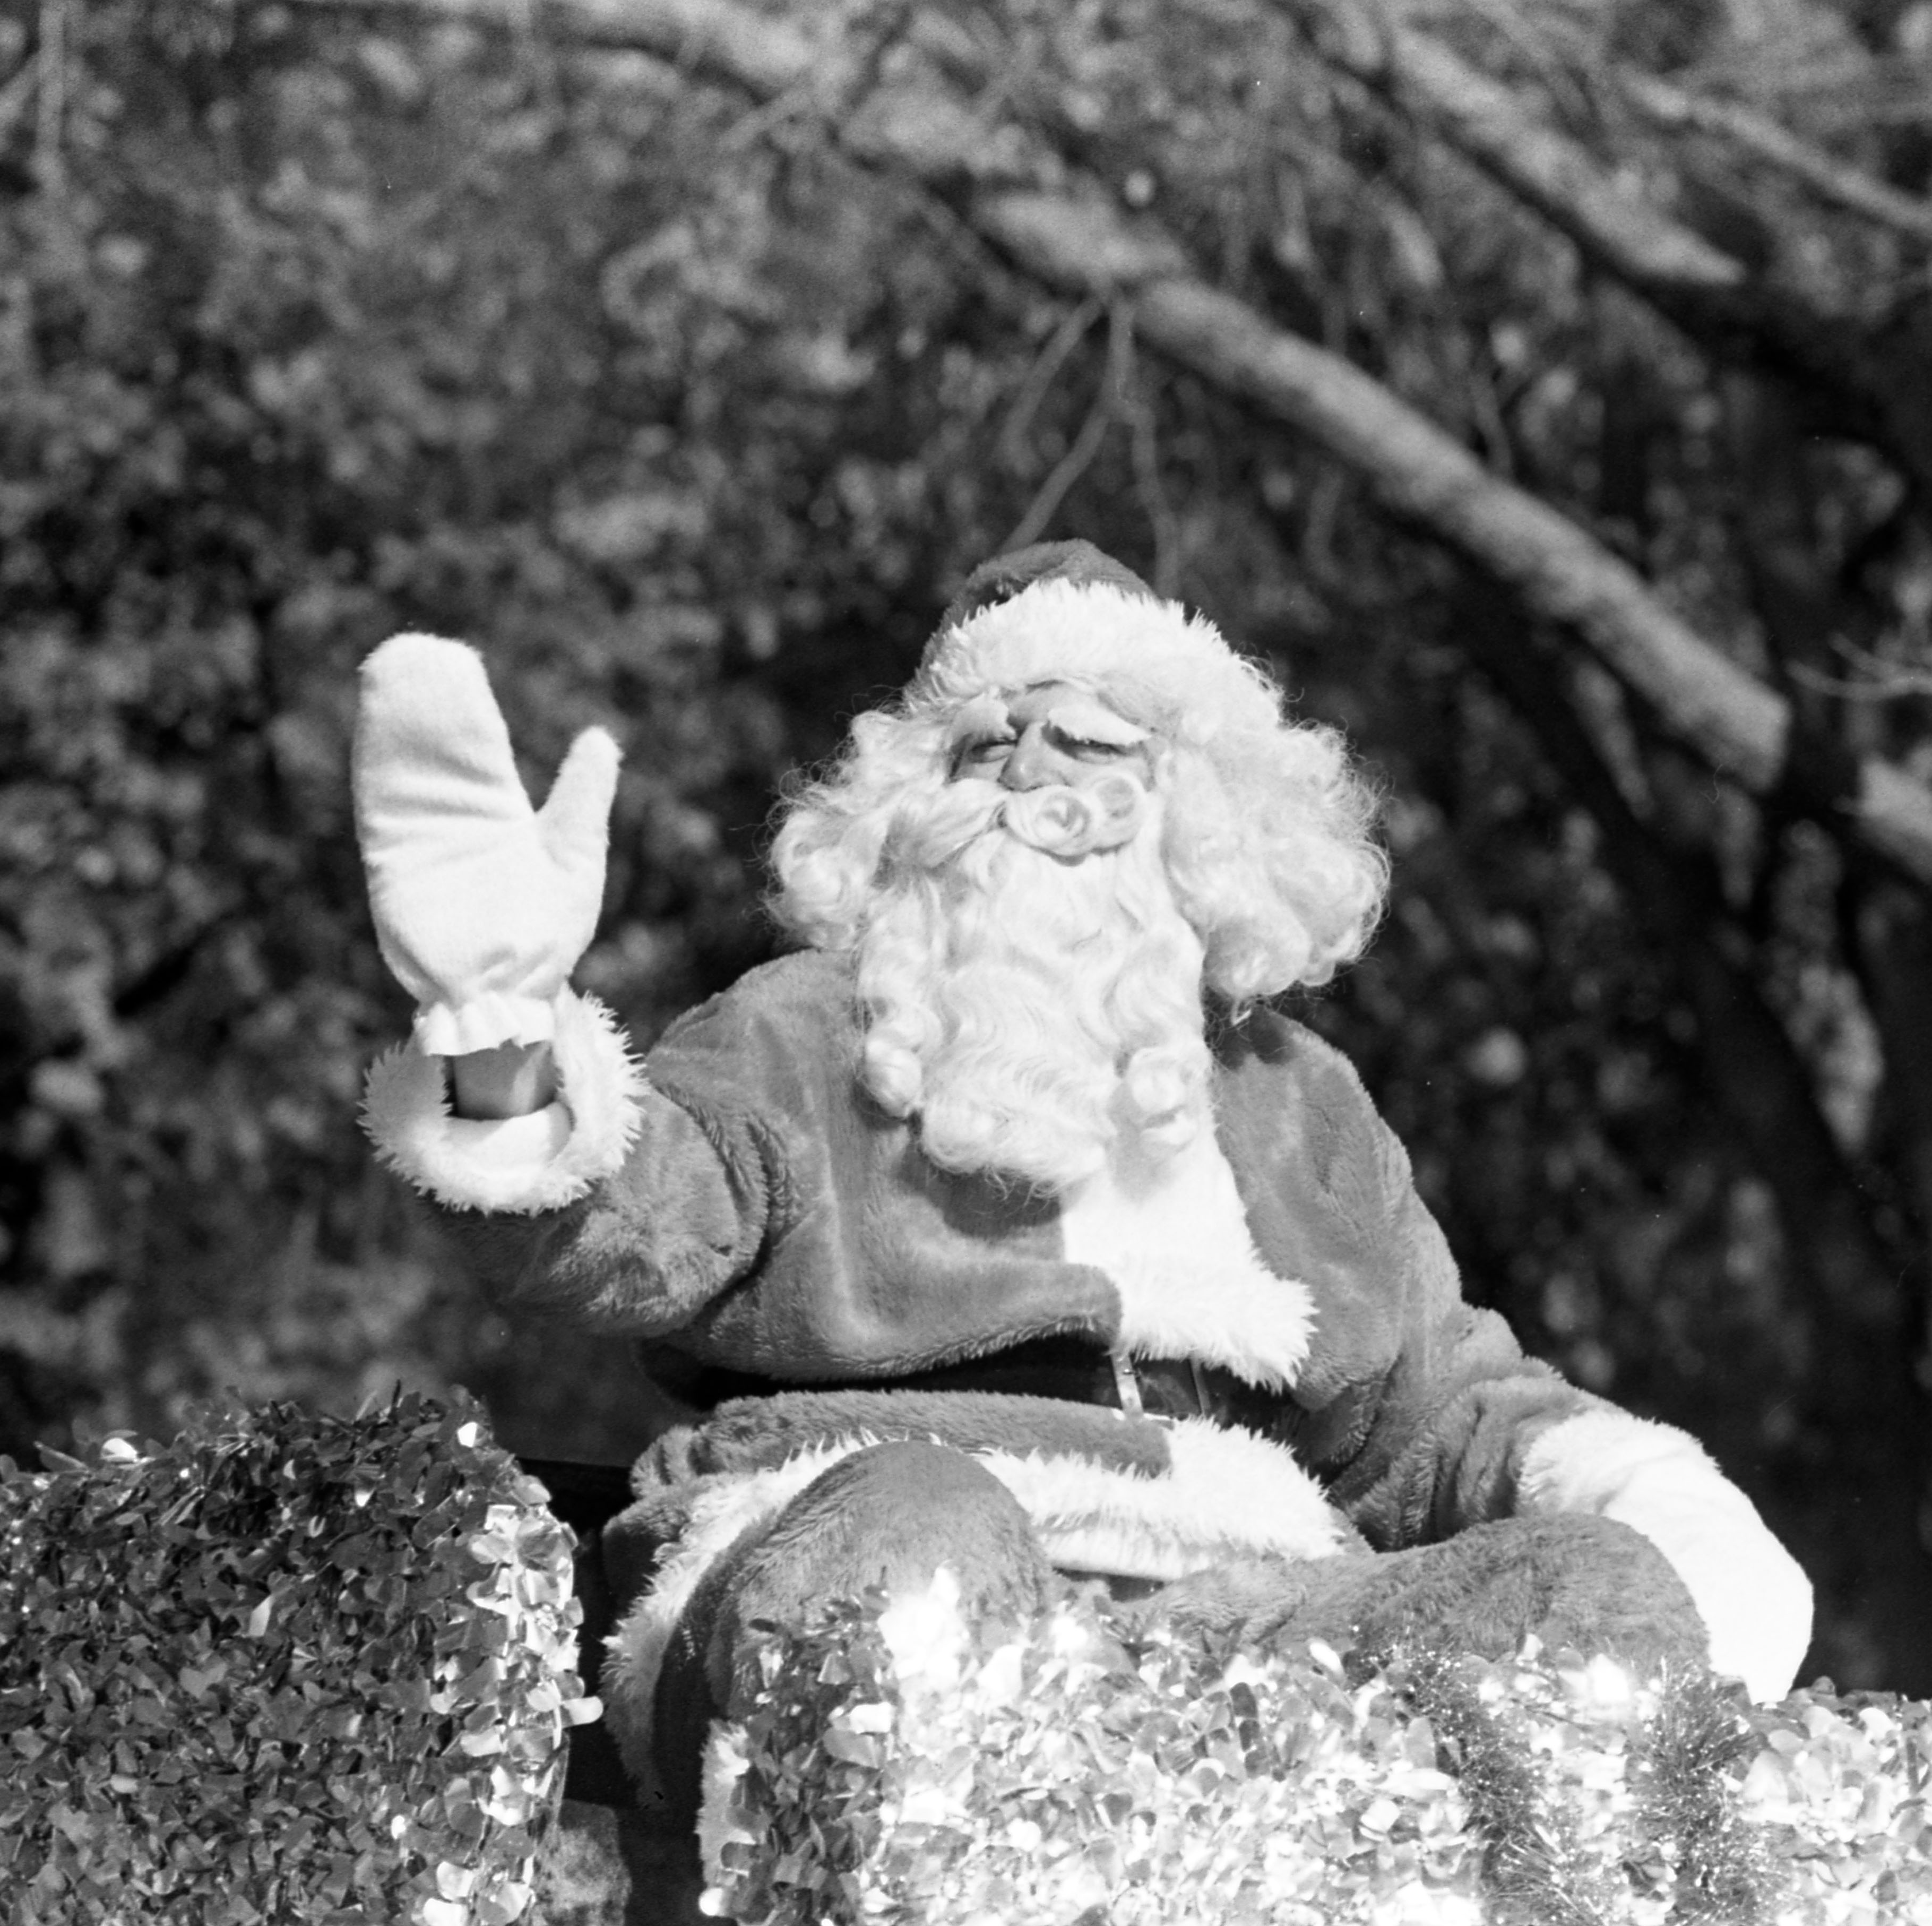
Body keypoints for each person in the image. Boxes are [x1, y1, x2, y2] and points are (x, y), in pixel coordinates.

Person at [351, 540, 1813, 1827]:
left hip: (1245, 1625)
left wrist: (1657, 1509)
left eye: (1096, 745)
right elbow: (625, 1226)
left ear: (1201, 809)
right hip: (861, 1533)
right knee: (908, 1555)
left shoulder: (1295, 1101)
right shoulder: (805, 1026)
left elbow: (1443, 1409)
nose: (1039, 774)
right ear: (915, 796)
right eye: (993, 742)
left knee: (1587, 1601)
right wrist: (505, 1048)